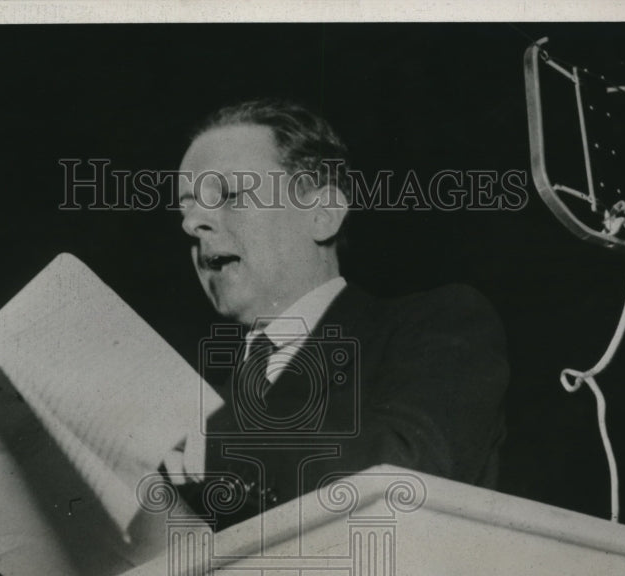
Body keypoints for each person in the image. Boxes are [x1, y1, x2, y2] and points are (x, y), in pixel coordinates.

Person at [170, 99, 509, 531]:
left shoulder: (436, 325)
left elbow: (404, 475)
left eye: (229, 195)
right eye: (186, 208)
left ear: (323, 214)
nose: (193, 223)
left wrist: (209, 441)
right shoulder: (206, 403)